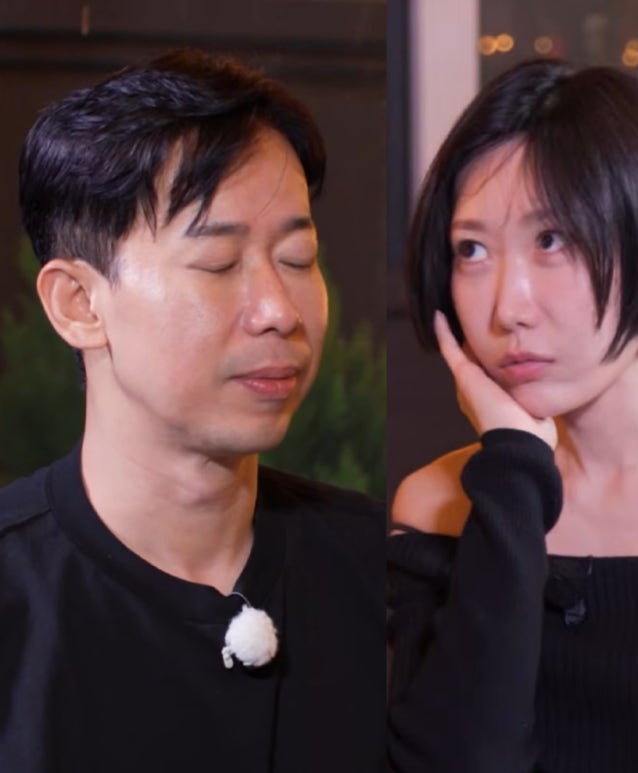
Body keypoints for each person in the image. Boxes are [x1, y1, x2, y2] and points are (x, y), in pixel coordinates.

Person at [0, 49, 384, 773]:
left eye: (298, 259)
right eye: (218, 265)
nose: (279, 310)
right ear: (79, 304)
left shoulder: (383, 573)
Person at [387, 57, 638, 772]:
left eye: (552, 240)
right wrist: (513, 472)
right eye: (472, 250)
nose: (508, 308)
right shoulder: (437, 506)